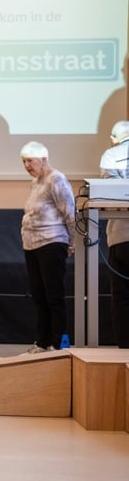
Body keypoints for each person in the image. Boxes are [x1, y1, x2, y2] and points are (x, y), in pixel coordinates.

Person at [19, 142, 76, 353]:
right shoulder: (35, 182)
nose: (27, 166)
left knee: (54, 295)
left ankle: (57, 343)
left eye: (30, 161)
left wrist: (71, 242)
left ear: (43, 159)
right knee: (39, 296)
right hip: (31, 244)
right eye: (24, 161)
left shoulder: (56, 179)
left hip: (52, 242)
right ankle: (42, 342)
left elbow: (70, 213)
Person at [99, 120, 129, 348]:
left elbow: (112, 193)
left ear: (113, 138)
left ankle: (124, 349)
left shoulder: (111, 155)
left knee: (121, 297)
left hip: (121, 235)